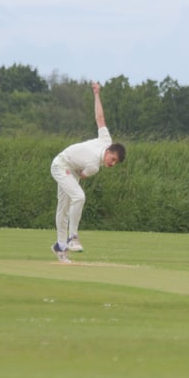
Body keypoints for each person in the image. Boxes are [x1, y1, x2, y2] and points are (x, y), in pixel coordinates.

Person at [50, 82, 126, 263]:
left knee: (64, 207)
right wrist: (96, 94)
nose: (112, 164)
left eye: (116, 163)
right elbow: (99, 118)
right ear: (108, 152)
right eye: (112, 159)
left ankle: (60, 247)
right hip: (60, 165)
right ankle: (72, 237)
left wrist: (97, 94)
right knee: (79, 197)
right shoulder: (97, 158)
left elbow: (100, 118)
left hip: (73, 170)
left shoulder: (102, 150)